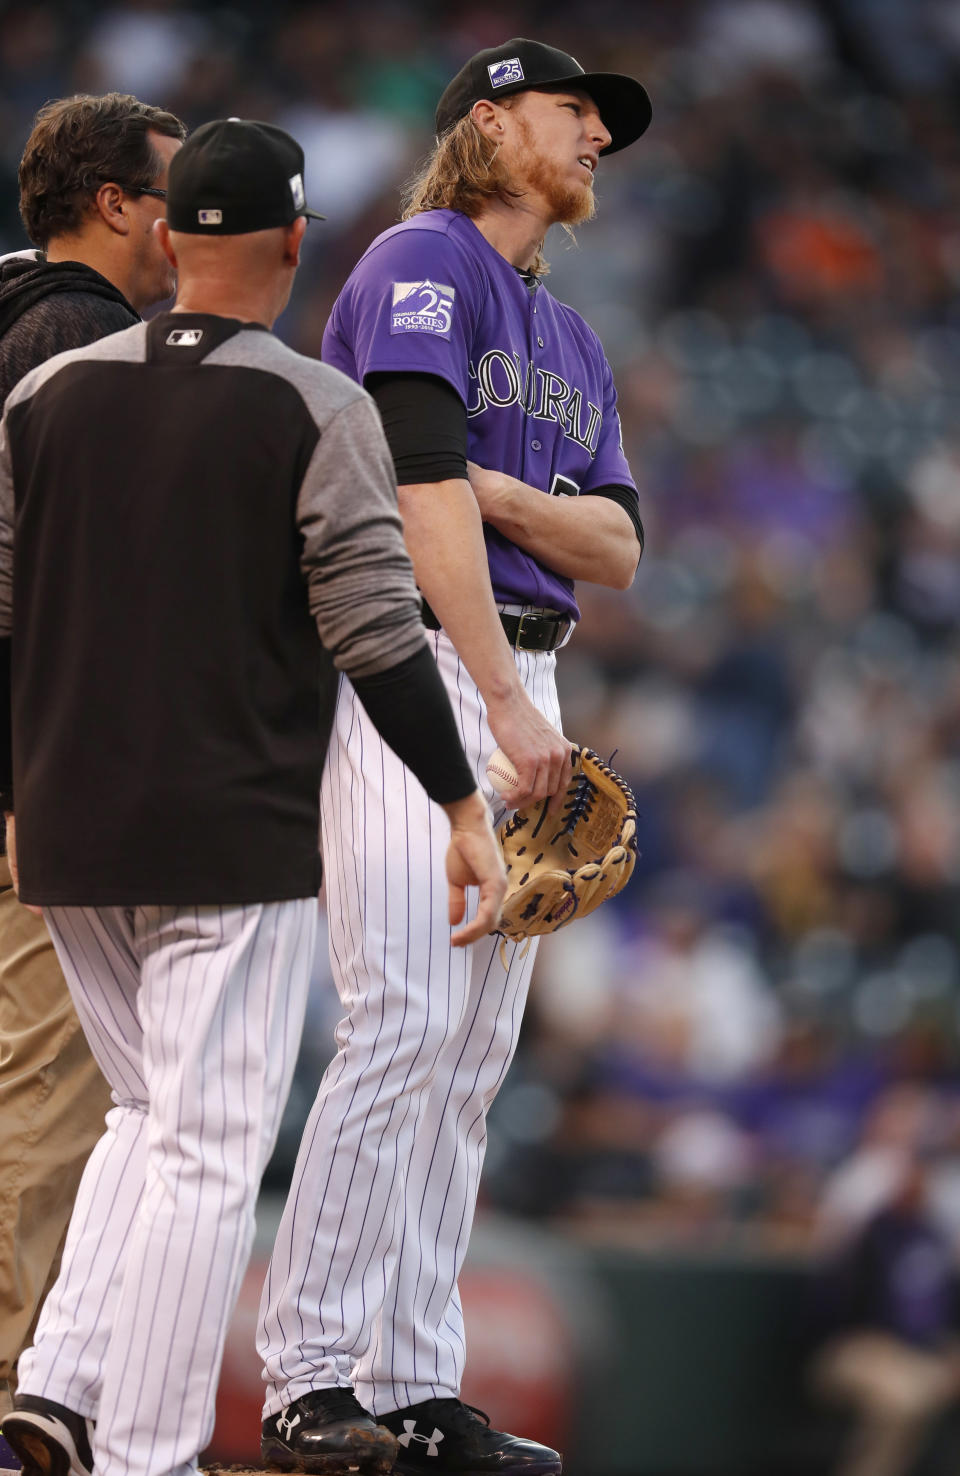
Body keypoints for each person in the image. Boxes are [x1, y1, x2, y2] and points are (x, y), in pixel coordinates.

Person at [0, 117, 506, 1476]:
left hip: (61, 824)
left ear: (170, 238)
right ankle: (150, 1457)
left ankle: (52, 1395)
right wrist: (461, 804)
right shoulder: (310, 401)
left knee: (145, 1121)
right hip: (224, 825)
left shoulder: (45, 399)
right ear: (292, 243)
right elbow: (376, 632)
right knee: (211, 1153)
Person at [258, 38, 651, 1475]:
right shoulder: (425, 259)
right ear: (491, 124)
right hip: (416, 668)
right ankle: (307, 1379)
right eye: (573, 110)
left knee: (474, 1057)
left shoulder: (570, 335)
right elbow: (419, 489)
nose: (599, 133)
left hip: (521, 670)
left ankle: (414, 1381)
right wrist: (500, 694)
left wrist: (500, 497)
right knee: (405, 1022)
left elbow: (618, 545)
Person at [0, 91, 186, 1420]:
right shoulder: (83, 340)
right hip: (33, 779)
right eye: (173, 193)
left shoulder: (20, 315)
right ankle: (15, 1393)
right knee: (50, 1105)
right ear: (113, 202)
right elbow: (62, 590)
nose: (191, 222)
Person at [808, 1155, 960, 1476]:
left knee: (917, 1390)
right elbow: (832, 1313)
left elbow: (941, 1313)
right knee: (904, 1399)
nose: (915, 1189)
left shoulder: (931, 1237)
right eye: (907, 1182)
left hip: (920, 1355)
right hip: (859, 1350)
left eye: (922, 1183)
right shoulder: (869, 1239)